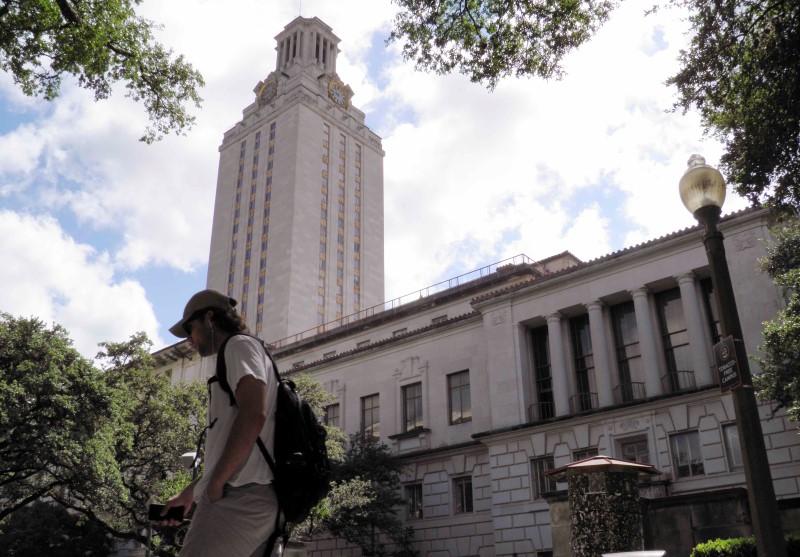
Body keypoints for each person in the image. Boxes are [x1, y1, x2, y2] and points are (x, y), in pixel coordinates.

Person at [160, 289, 279, 557]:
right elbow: (238, 443)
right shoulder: (246, 349)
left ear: (210, 318)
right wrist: (192, 492)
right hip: (256, 497)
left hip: (238, 496)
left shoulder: (238, 345)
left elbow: (253, 415)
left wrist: (216, 483)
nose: (189, 339)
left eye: (189, 329)